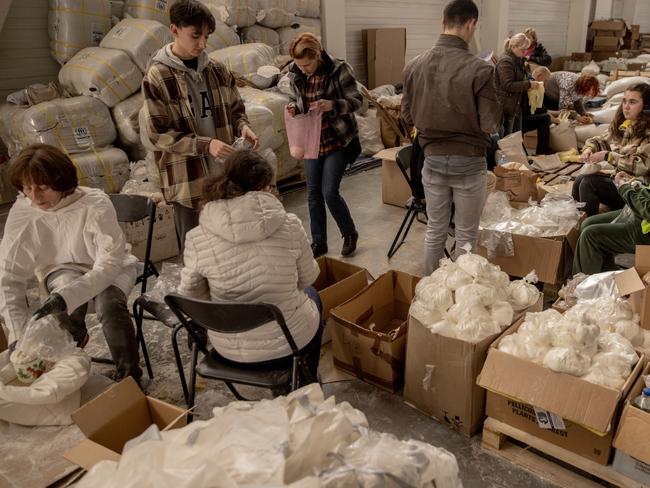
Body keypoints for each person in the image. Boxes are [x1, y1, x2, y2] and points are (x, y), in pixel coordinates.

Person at [178, 150, 323, 382]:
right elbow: (308, 278)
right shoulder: (290, 225)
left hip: (228, 349)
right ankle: (306, 381)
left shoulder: (197, 237)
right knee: (313, 296)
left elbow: (191, 296)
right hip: (289, 343)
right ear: (266, 187)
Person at [0, 144, 142, 381]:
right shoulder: (23, 212)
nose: (34, 196)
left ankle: (129, 374)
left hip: (108, 267)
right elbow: (8, 275)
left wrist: (66, 298)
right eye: (27, 188)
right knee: (63, 284)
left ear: (62, 182)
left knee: (110, 304)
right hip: (61, 268)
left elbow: (109, 262)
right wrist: (16, 336)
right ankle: (75, 336)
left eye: (43, 187)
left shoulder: (94, 203)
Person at [141, 0, 258, 254]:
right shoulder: (158, 76)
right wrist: (206, 145)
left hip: (224, 179)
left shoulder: (216, 71)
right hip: (187, 182)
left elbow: (237, 109)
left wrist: (243, 127)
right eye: (196, 35)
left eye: (206, 36)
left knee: (233, 248)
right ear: (174, 29)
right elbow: (158, 134)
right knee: (197, 254)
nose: (203, 44)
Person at [402, 0, 502, 275]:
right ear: (472, 24)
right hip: (469, 163)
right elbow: (490, 123)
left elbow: (407, 118)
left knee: (435, 230)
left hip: (431, 160)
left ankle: (430, 291)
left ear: (442, 22)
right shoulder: (482, 69)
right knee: (466, 235)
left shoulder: (414, 65)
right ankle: (459, 302)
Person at [282, 33, 362, 258]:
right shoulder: (296, 73)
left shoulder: (339, 69)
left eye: (307, 65)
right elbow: (300, 102)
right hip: (311, 142)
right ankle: (319, 243)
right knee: (313, 193)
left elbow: (358, 101)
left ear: (317, 56)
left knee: (329, 192)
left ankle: (349, 233)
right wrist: (294, 108)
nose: (304, 69)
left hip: (337, 140)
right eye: (300, 65)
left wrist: (332, 105)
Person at [572, 84, 650, 216]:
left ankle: (589, 225)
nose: (626, 106)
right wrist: (589, 149)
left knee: (589, 183)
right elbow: (602, 139)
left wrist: (608, 156)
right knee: (580, 178)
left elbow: (641, 166)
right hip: (623, 182)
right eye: (624, 101)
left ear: (646, 106)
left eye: (632, 102)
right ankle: (577, 221)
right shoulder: (626, 125)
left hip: (640, 193)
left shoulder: (647, 133)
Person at [573, 172, 650, 275]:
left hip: (644, 230)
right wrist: (637, 184)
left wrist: (625, 188)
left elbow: (647, 210)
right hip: (639, 215)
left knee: (589, 235)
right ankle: (605, 274)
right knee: (587, 223)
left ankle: (583, 285)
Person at [495, 33, 542, 135]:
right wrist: (528, 84)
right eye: (523, 50)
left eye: (526, 49)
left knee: (515, 139)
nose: (525, 53)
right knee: (507, 141)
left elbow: (522, 78)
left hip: (516, 105)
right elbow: (507, 85)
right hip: (506, 107)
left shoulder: (518, 60)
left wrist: (531, 79)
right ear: (513, 46)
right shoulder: (506, 61)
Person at [532, 67, 599, 124]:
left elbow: (577, 100)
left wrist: (583, 113)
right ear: (584, 87)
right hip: (547, 94)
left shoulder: (580, 85)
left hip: (556, 95)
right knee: (552, 119)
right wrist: (577, 117)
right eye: (588, 91)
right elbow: (563, 109)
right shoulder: (567, 84)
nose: (589, 94)